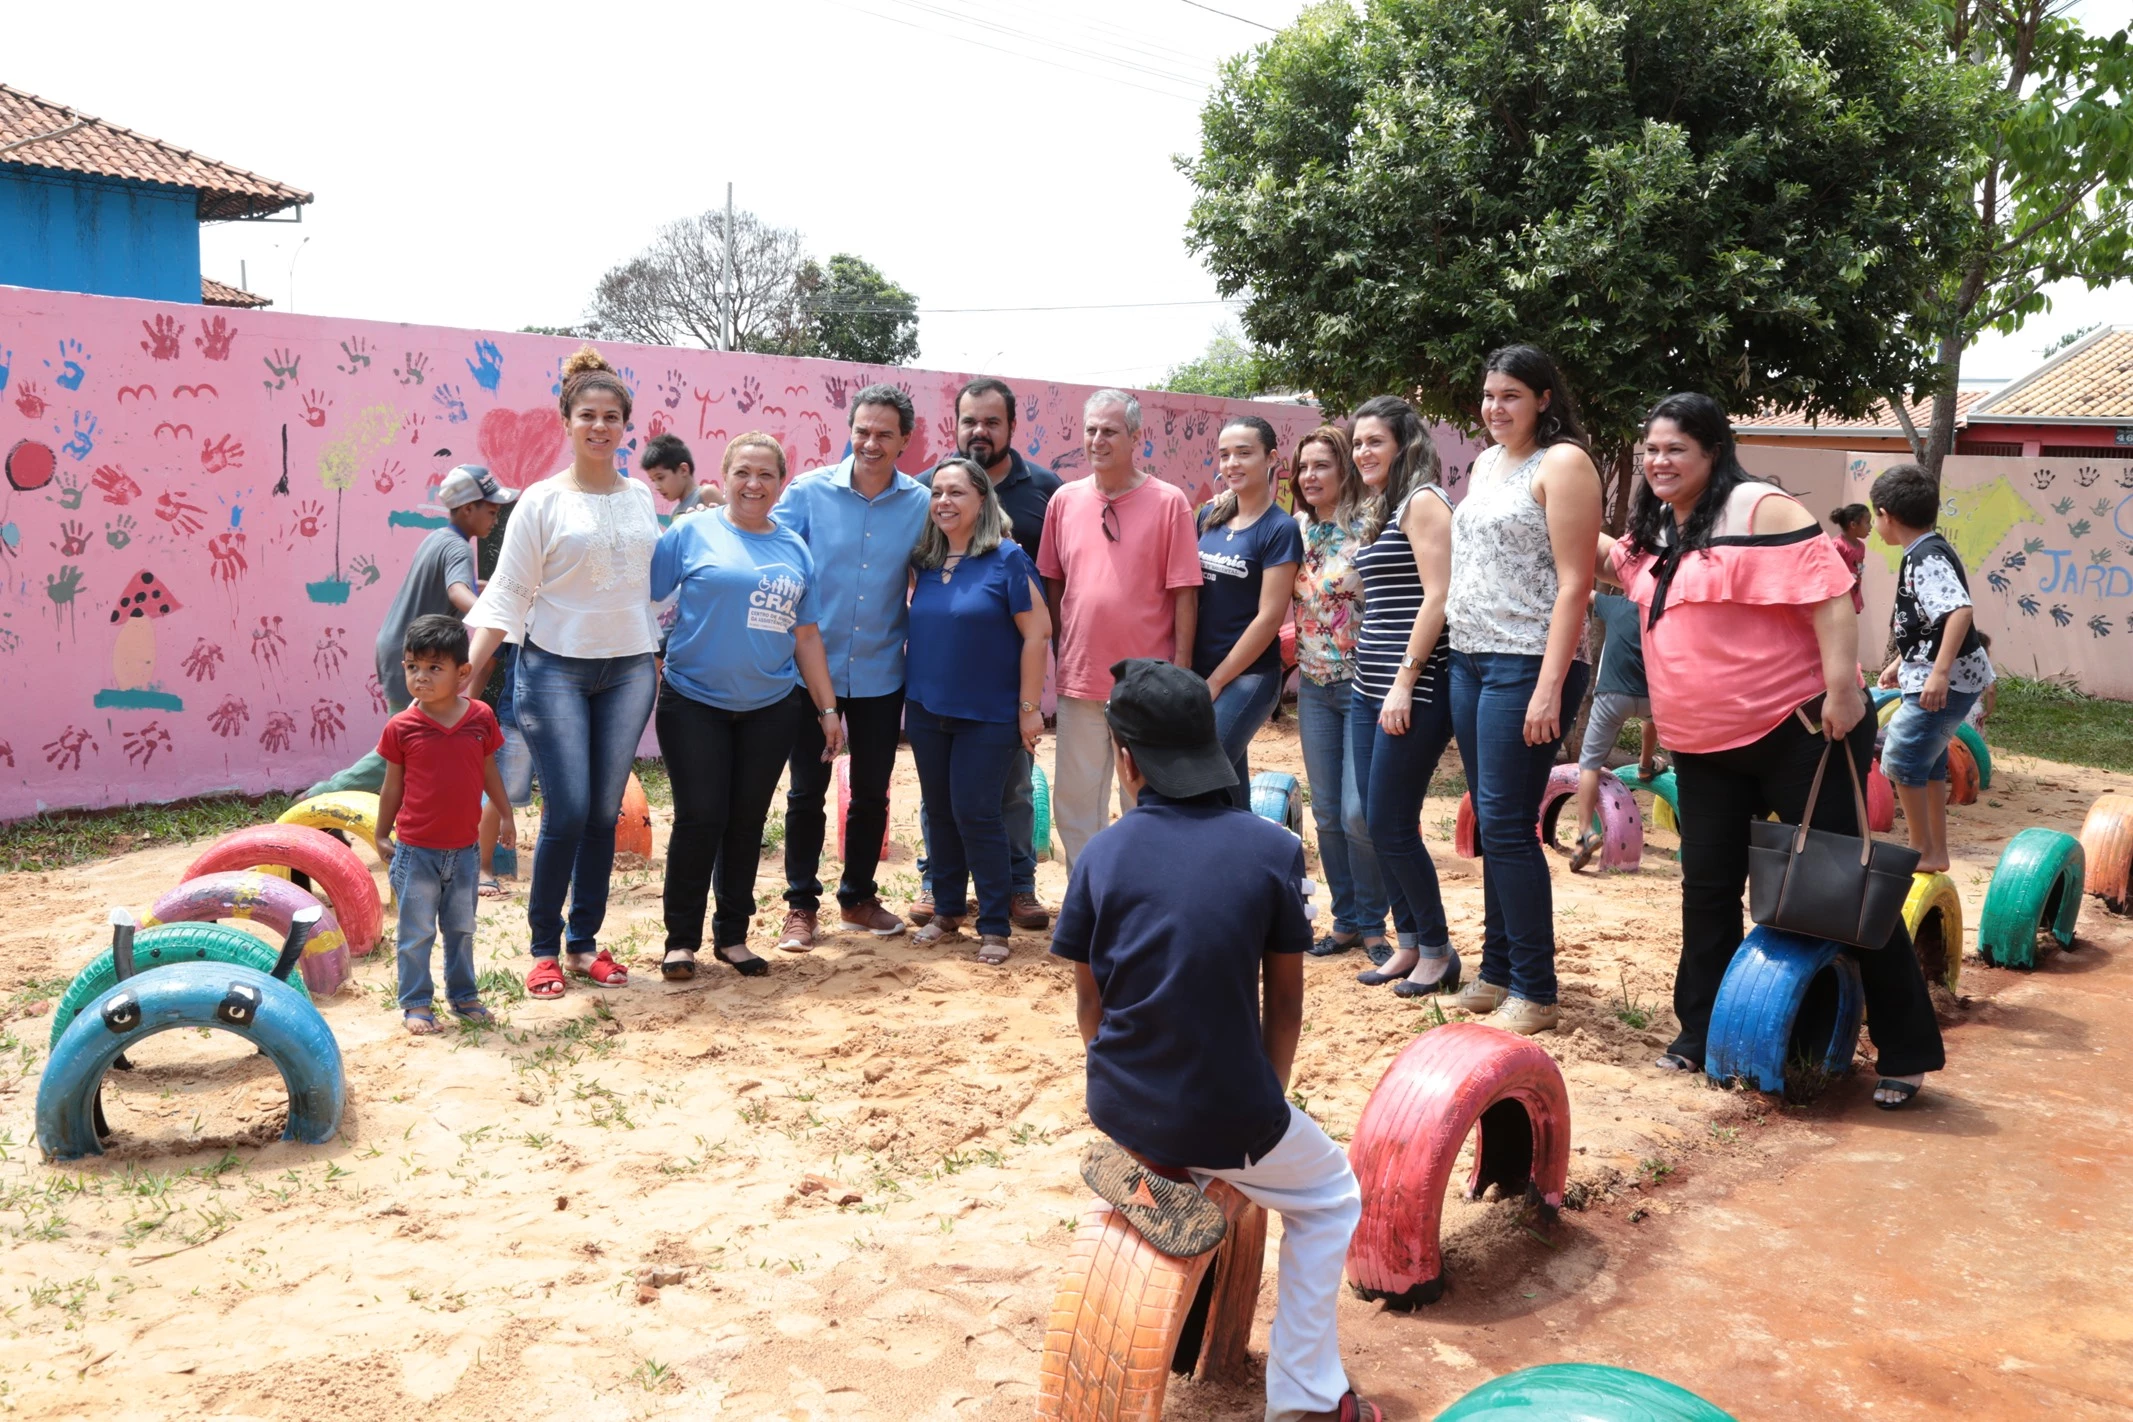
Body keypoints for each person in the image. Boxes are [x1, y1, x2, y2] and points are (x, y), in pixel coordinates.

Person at [1052, 659, 1385, 1422]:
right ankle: (1306, 1398)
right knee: (1330, 1197)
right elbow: (1285, 1003)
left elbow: (1088, 1006)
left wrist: (1131, 1088)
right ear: (1208, 748)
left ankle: (1170, 1168)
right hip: (1226, 1106)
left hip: (1122, 1103)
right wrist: (1265, 1102)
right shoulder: (1272, 850)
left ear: (1126, 761)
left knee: (1196, 1137)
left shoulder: (1100, 855)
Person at [1603, 392, 1943, 1108]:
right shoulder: (1655, 526)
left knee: (1845, 889)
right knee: (1706, 891)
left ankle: (1905, 1053)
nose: (1659, 462)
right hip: (1702, 746)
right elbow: (1613, 565)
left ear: (1713, 452)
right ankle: (1701, 1032)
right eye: (1650, 450)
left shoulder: (1761, 509)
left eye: (1676, 449)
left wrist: (1842, 692)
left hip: (1800, 733)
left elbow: (1829, 595)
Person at [464, 346, 661, 999]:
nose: (600, 426)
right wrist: (469, 675)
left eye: (611, 417)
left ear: (625, 425)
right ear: (567, 421)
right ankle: (544, 948)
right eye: (588, 416)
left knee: (603, 813)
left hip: (629, 669)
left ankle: (583, 944)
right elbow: (507, 593)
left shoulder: (640, 497)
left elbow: (652, 581)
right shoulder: (541, 501)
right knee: (569, 810)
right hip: (554, 670)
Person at [1444, 346, 1601, 1036]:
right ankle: (1496, 973)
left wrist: (1548, 688)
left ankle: (1535, 990)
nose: (1495, 407)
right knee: (1492, 820)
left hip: (1527, 662)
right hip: (1470, 658)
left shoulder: (1562, 463)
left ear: (1542, 398)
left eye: (1510, 395)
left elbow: (1575, 583)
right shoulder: (1485, 463)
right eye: (1488, 395)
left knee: (1508, 825)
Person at [651, 433, 843, 982]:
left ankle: (732, 936)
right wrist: (652, 661)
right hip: (693, 701)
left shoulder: (794, 549)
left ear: (781, 483)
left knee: (746, 821)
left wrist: (827, 709)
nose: (753, 484)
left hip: (770, 706)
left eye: (766, 474)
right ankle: (681, 942)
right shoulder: (689, 532)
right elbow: (645, 597)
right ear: (724, 475)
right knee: (700, 817)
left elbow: (806, 635)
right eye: (743, 472)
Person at [772, 385, 933, 951]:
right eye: (862, 430)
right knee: (805, 792)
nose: (871, 443)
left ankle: (858, 898)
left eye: (885, 434)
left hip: (881, 673)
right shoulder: (808, 492)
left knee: (871, 793)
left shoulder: (921, 504)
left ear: (905, 441)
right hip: (808, 673)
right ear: (850, 430)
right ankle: (800, 905)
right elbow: (768, 546)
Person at [909, 377, 1062, 932]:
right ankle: (943, 897)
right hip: (931, 704)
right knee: (943, 807)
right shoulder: (925, 544)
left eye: (992, 421)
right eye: (970, 420)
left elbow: (1039, 622)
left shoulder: (1032, 510)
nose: (944, 501)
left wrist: (1029, 707)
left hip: (995, 701)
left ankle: (1008, 901)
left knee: (999, 800)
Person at [1036, 390, 1202, 870]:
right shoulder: (1064, 501)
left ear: (1135, 437)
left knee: (1146, 799)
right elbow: (1053, 581)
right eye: (1091, 430)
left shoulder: (1169, 502)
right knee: (1075, 799)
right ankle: (1088, 893)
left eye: (1109, 431)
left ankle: (1141, 895)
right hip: (1081, 678)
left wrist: (1180, 672)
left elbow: (1185, 592)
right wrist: (1065, 649)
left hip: (1147, 684)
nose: (1097, 440)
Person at [1345, 396, 1463, 999]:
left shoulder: (1424, 501)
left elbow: (1438, 596)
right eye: (1358, 442)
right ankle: (1410, 943)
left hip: (1411, 687)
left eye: (1375, 441)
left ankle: (1438, 951)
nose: (1363, 452)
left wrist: (1405, 681)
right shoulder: (1387, 506)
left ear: (1404, 445)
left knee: (1392, 823)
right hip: (1370, 685)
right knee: (1376, 821)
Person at [305, 464, 513, 797]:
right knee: (403, 744)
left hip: (397, 645)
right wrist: (492, 616)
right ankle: (322, 795)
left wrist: (497, 589)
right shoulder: (459, 548)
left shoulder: (439, 539)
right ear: (468, 509)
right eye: (490, 510)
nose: (495, 518)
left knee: (412, 740)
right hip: (416, 655)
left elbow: (458, 584)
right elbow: (456, 591)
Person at [373, 615, 507, 1035]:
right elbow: (392, 786)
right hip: (416, 853)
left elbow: (489, 771)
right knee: (416, 933)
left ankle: (464, 997)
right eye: (413, 667)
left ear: (462, 672)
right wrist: (380, 832)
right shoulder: (401, 727)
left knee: (461, 929)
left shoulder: (481, 718)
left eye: (435, 667)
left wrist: (506, 813)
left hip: (465, 853)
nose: (421, 677)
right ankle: (416, 1003)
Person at [1289, 426, 1392, 962]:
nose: (1310, 476)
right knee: (1327, 812)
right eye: (1303, 466)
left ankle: (1374, 925)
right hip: (1312, 686)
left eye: (1322, 465)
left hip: (1363, 685)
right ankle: (1346, 921)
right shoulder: (1295, 529)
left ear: (1344, 470)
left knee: (1357, 812)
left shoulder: (1371, 525)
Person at [1871, 463, 1995, 876]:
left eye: (1875, 517)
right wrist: (1901, 661)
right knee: (1927, 761)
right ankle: (1933, 850)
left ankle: (1919, 849)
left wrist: (1938, 674)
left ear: (1886, 514)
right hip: (1943, 674)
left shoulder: (1925, 557)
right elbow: (1930, 622)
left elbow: (1959, 611)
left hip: (1947, 680)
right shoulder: (1926, 549)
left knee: (1902, 756)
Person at [1193, 415, 1303, 805]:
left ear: (1271, 458)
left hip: (1249, 676)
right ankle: (1245, 839)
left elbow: (1269, 618)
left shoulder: (1279, 529)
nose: (1231, 463)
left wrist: (1217, 680)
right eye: (1224, 455)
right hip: (1202, 669)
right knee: (1229, 782)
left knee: (1205, 765)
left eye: (1244, 453)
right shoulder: (1209, 517)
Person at [1565, 589, 1660, 873]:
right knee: (1651, 721)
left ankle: (1585, 833)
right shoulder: (1661, 609)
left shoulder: (1615, 604)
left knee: (1590, 764)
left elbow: (1585, 590)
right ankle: (1645, 764)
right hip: (1650, 696)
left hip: (1612, 695)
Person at [476, 643, 533, 898]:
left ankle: (567, 869)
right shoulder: (517, 616)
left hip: (568, 715)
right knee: (501, 792)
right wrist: (469, 704)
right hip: (518, 712)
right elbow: (487, 662)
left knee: (565, 794)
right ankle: (483, 867)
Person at [642, 432, 722, 516]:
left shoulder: (707, 493)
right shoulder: (674, 513)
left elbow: (729, 521)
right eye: (653, 480)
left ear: (683, 470)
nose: (657, 487)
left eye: (660, 478)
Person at [1828, 503, 1870, 613]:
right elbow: (1829, 575)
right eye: (1867, 522)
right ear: (1853, 525)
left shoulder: (1861, 546)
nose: (1870, 527)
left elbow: (1858, 571)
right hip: (1839, 601)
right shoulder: (1837, 545)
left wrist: (1858, 596)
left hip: (1853, 597)